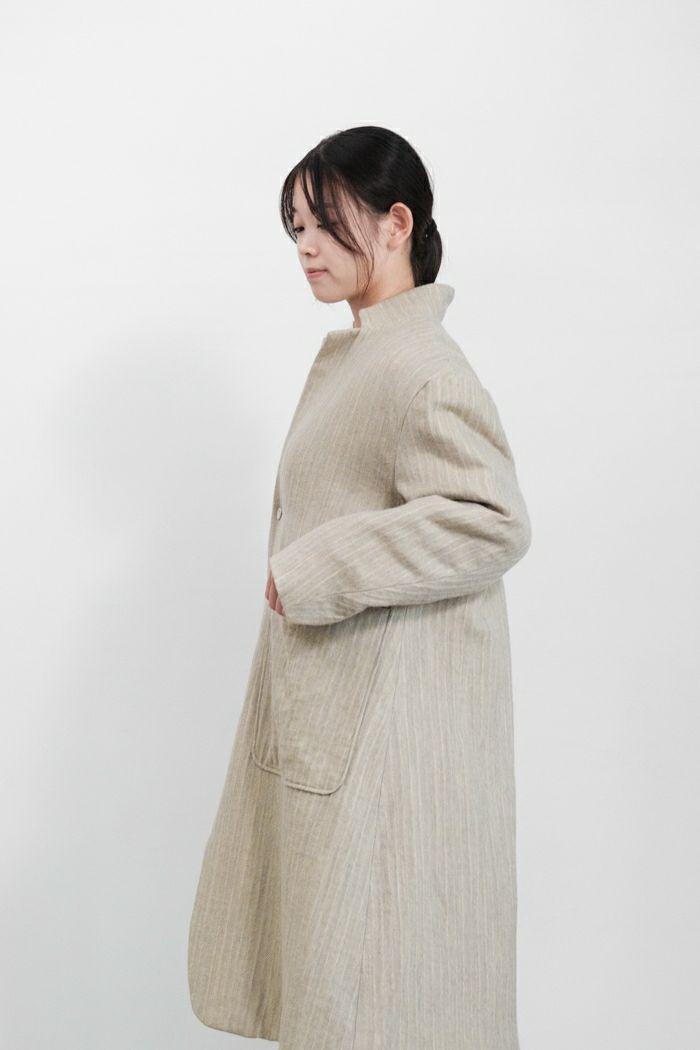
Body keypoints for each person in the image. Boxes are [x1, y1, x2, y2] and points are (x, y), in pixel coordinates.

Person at [188, 125, 532, 1050]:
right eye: (295, 226)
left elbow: (491, 518)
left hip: (389, 748)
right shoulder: (368, 355)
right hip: (344, 720)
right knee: (340, 992)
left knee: (374, 998)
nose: (304, 245)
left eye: (324, 222)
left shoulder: (420, 367)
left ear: (395, 223)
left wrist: (317, 568)